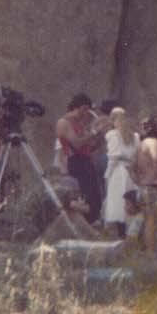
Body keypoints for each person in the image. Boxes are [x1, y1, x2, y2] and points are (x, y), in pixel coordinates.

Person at [57, 93, 111, 223]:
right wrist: (94, 132)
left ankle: (89, 222)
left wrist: (99, 138)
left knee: (95, 199)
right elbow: (76, 143)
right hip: (77, 163)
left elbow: (88, 148)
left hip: (86, 162)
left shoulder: (78, 124)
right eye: (86, 110)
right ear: (81, 108)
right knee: (86, 199)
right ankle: (76, 218)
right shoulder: (64, 122)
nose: (87, 114)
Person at [131, 115, 157, 256]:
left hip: (143, 187)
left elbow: (131, 167)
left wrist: (140, 182)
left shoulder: (140, 146)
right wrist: (153, 179)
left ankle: (145, 253)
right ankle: (150, 254)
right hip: (151, 187)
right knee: (152, 222)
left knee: (147, 222)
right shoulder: (153, 142)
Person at [102, 107, 138, 239]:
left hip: (118, 171)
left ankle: (120, 235)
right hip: (131, 171)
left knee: (117, 202)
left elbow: (113, 157)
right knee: (129, 202)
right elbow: (136, 155)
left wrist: (107, 174)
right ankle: (130, 233)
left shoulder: (112, 134)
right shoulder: (135, 136)